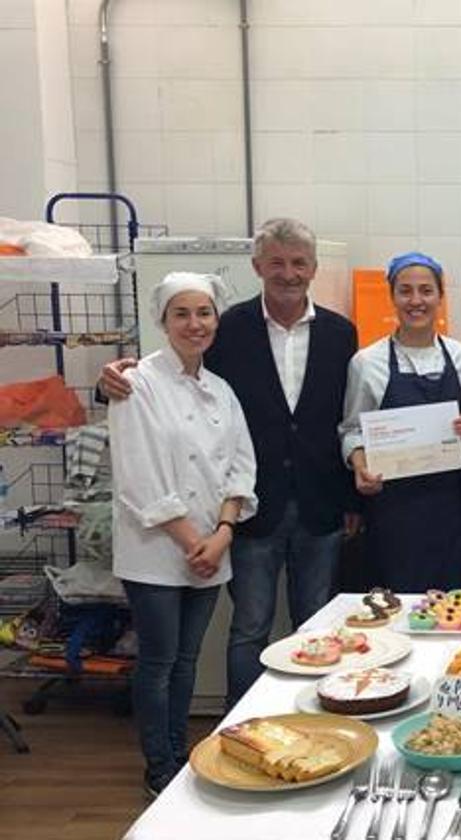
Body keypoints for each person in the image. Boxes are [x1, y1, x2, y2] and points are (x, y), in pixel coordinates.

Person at [100, 218, 359, 710]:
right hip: (250, 507)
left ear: (314, 268)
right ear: (257, 266)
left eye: (298, 262)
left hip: (321, 504)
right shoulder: (228, 327)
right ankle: (243, 723)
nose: (288, 273)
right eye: (277, 262)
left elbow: (341, 417)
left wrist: (349, 500)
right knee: (250, 626)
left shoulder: (340, 333)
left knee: (318, 624)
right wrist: (109, 378)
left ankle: (319, 720)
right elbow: (176, 369)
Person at [109, 272, 256, 797]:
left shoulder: (220, 390)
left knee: (188, 660)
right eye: (182, 314)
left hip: (212, 549)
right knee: (158, 662)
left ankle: (178, 751)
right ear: (163, 321)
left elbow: (242, 465)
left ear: (217, 319)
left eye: (204, 313)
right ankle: (160, 765)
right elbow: (137, 474)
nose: (195, 324)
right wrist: (190, 537)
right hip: (156, 552)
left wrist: (222, 533)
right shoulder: (136, 383)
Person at [341, 251, 461, 590]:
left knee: (460, 606)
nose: (416, 301)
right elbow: (351, 430)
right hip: (396, 511)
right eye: (405, 291)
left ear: (440, 296)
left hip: (457, 509)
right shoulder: (368, 362)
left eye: (426, 291)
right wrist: (361, 465)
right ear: (392, 296)